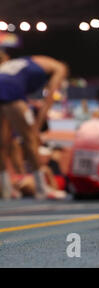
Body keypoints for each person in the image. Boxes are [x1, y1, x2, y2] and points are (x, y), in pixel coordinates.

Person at [0, 50, 69, 199]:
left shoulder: (29, 60)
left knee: (3, 142)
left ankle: (6, 190)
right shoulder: (59, 68)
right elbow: (49, 98)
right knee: (30, 139)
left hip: (4, 85)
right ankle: (41, 189)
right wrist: (37, 126)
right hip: (10, 89)